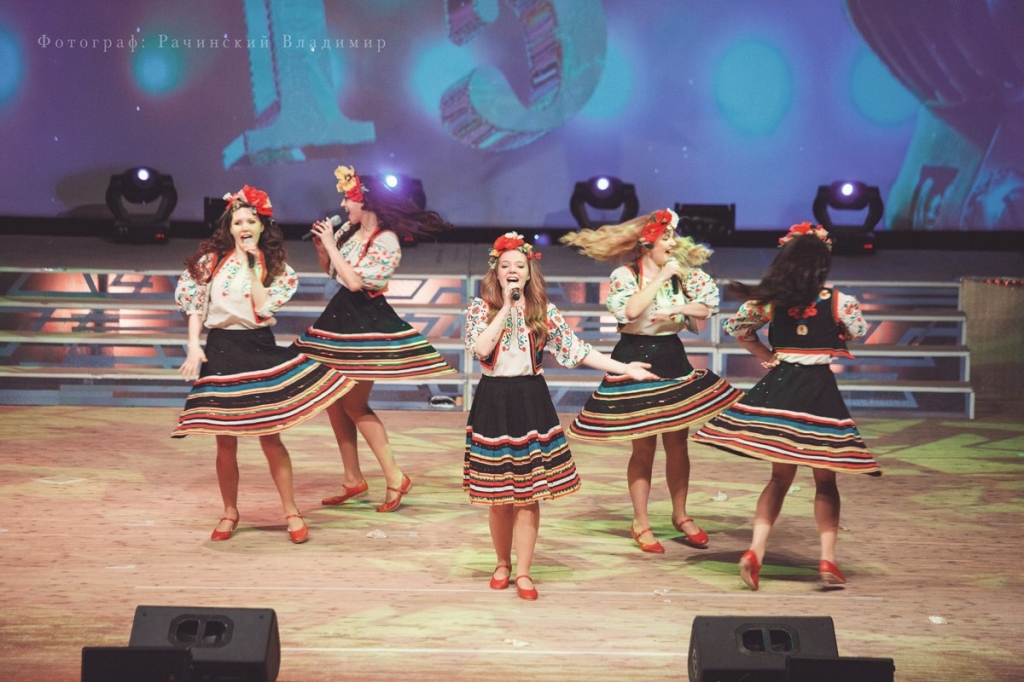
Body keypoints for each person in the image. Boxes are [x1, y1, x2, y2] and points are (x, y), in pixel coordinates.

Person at [464, 232, 659, 600]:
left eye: (519, 266)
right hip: (494, 400)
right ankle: (502, 563)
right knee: (499, 496)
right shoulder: (480, 308)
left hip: (530, 400)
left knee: (527, 495)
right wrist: (506, 307)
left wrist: (624, 368)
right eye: (505, 266)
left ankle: (524, 571)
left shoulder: (543, 311)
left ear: (529, 272)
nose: (512, 271)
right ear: (496, 272)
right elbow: (480, 349)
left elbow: (578, 350)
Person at [693, 222, 881, 590]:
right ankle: (827, 560)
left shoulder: (770, 301)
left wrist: (767, 354)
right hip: (819, 392)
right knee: (825, 480)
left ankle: (756, 550)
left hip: (782, 388)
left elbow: (737, 328)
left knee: (780, 478)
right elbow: (858, 331)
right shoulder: (840, 301)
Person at [173, 185, 354, 544]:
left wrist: (252, 266)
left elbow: (263, 307)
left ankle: (291, 511)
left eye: (250, 222)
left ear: (261, 226)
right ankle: (229, 511)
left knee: (270, 438)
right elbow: (195, 306)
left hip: (257, 348)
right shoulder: (210, 261)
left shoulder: (277, 268)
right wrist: (194, 347)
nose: (243, 227)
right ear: (229, 227)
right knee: (225, 442)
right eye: (237, 222)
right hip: (221, 349)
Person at [560, 209, 743, 554]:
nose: (673, 244)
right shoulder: (625, 275)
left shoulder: (682, 274)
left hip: (671, 357)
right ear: (648, 243)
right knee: (643, 447)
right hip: (634, 356)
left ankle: (680, 515)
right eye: (666, 238)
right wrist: (661, 278)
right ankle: (640, 521)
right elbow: (630, 311)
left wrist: (679, 309)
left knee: (678, 442)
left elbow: (706, 309)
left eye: (674, 237)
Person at [293, 165, 455, 513]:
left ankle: (396, 476)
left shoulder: (387, 240)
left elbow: (356, 283)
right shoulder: (349, 232)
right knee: (333, 399)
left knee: (354, 404)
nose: (342, 205)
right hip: (341, 317)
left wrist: (331, 245)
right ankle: (353, 479)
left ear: (364, 201)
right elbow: (334, 272)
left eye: (347, 198)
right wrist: (323, 247)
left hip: (367, 324)